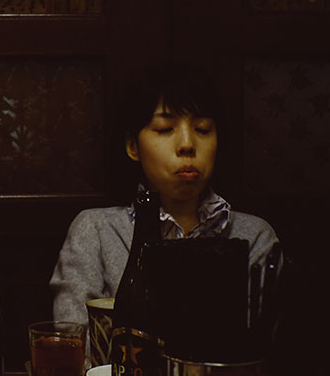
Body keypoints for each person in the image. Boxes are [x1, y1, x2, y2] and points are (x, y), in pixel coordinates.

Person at [50, 64, 280, 328]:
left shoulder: (254, 236)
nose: (187, 145)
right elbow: (75, 336)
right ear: (133, 146)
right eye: (164, 129)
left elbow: (264, 343)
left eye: (202, 129)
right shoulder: (96, 230)